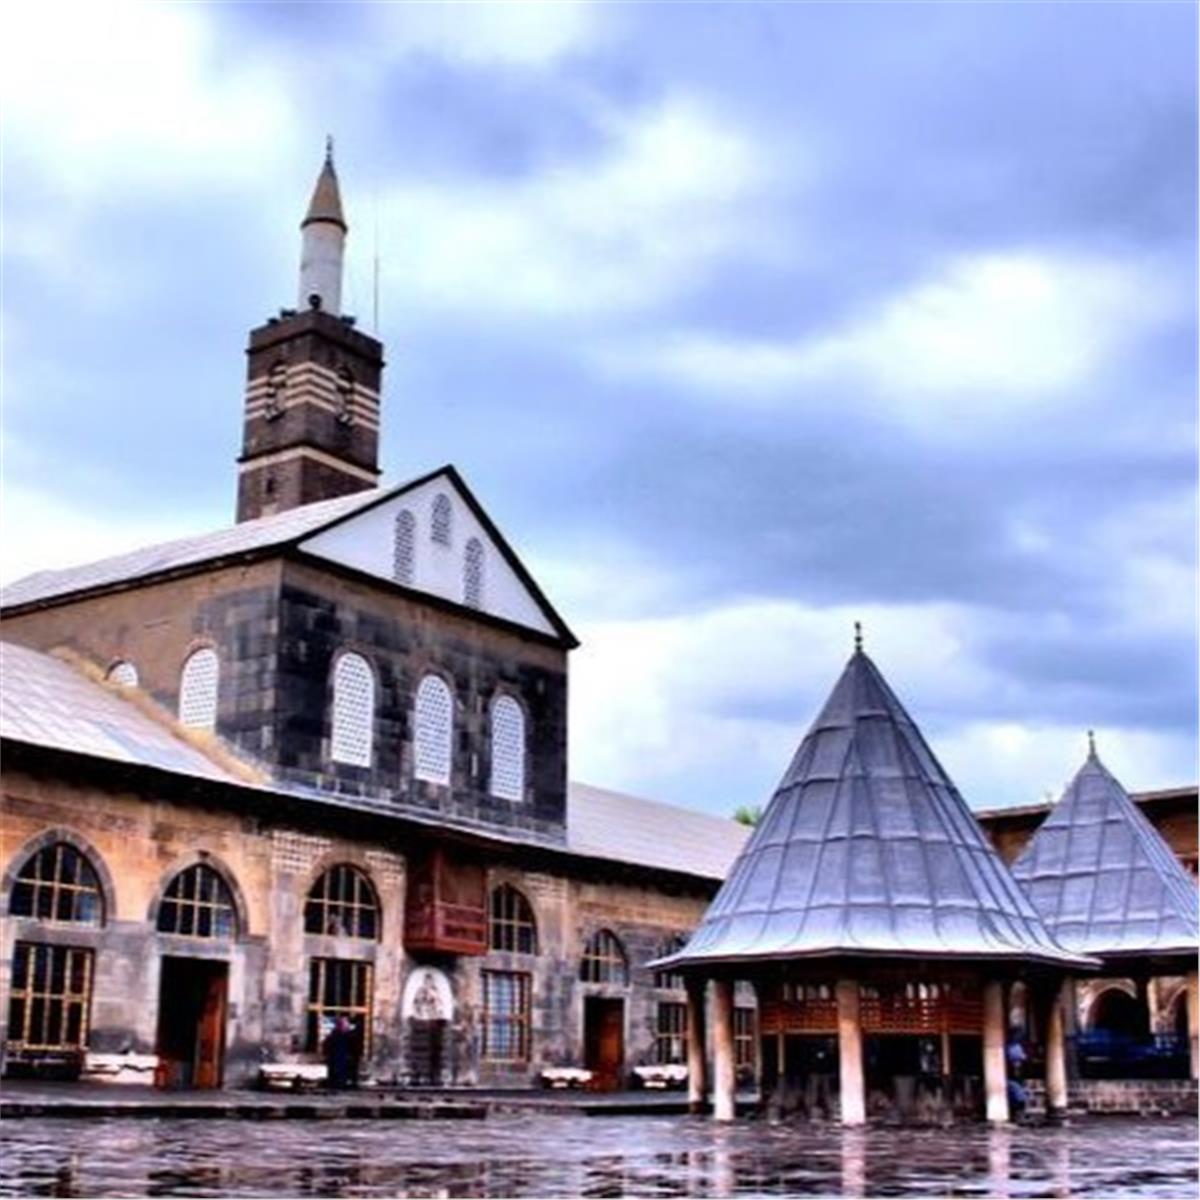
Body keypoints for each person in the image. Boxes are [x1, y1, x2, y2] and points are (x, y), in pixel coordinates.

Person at [323, 1016, 357, 1089]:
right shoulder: (334, 1035)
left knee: (344, 1071)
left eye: (346, 1024)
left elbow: (353, 1047)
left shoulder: (349, 1036)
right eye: (344, 1024)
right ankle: (336, 1084)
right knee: (336, 1072)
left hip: (344, 1058)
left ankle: (343, 1083)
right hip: (336, 1058)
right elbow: (327, 1046)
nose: (346, 1026)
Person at [1005, 1030, 1028, 1118]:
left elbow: (1022, 1058)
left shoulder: (1014, 1047)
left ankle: (1018, 1113)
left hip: (1015, 1081)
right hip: (1013, 1080)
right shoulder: (1013, 1047)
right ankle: (1018, 1113)